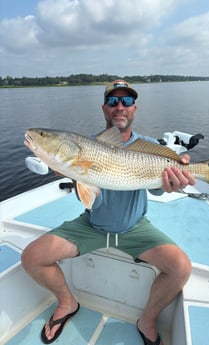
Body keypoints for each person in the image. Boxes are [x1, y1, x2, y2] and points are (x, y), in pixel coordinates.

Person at [21, 79, 195, 345]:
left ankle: (147, 319)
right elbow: (88, 198)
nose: (120, 107)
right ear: (104, 108)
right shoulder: (87, 146)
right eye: (113, 102)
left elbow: (159, 190)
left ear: (135, 108)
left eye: (126, 101)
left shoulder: (149, 146)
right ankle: (68, 304)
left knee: (181, 267)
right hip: (92, 226)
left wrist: (173, 182)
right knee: (32, 257)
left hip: (135, 228)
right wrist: (70, 170)